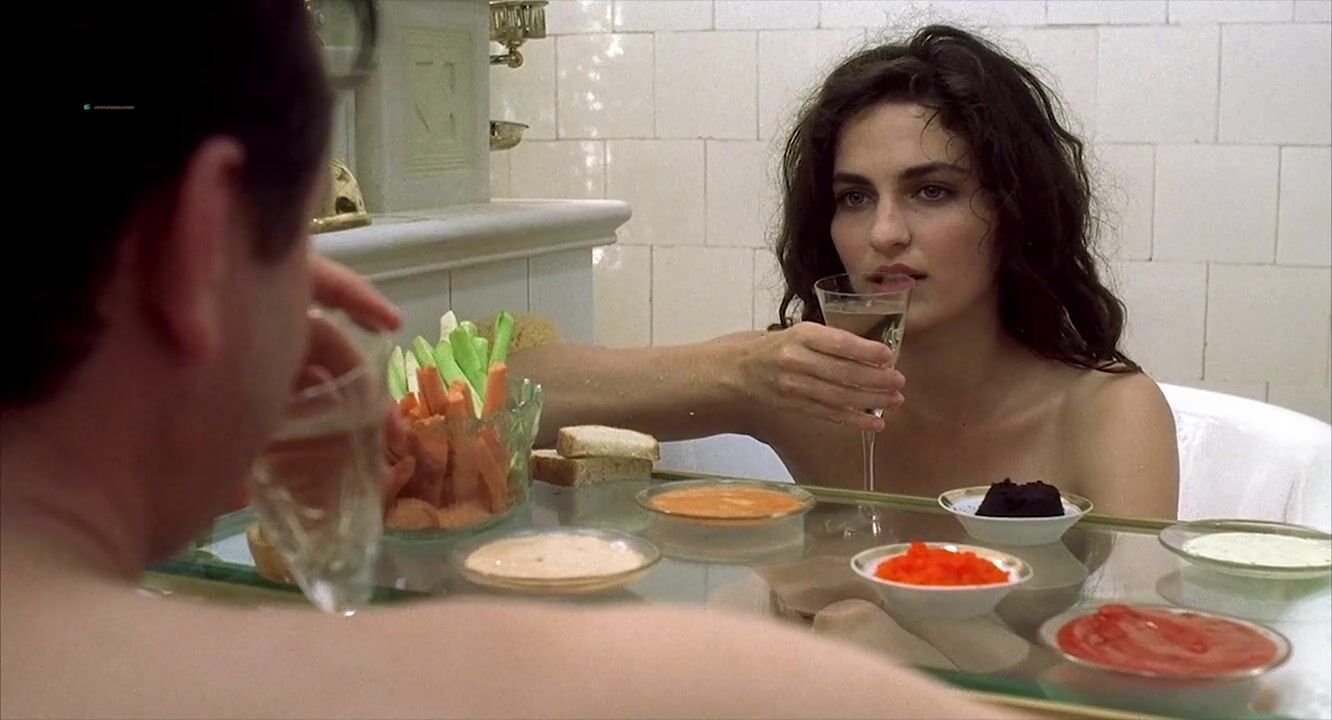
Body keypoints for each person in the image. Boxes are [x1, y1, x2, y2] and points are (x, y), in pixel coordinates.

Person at [1, 4, 1022, 717]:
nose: (886, 234)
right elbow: (534, 385)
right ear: (199, 250)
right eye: (295, 246)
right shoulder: (693, 685)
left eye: (932, 191)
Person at [512, 25, 1178, 519]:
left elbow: (1139, 648)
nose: (884, 233)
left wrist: (869, 619)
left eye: (932, 191)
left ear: (1014, 209)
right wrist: (741, 371)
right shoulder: (806, 389)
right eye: (855, 198)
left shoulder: (1104, 412)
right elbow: (510, 396)